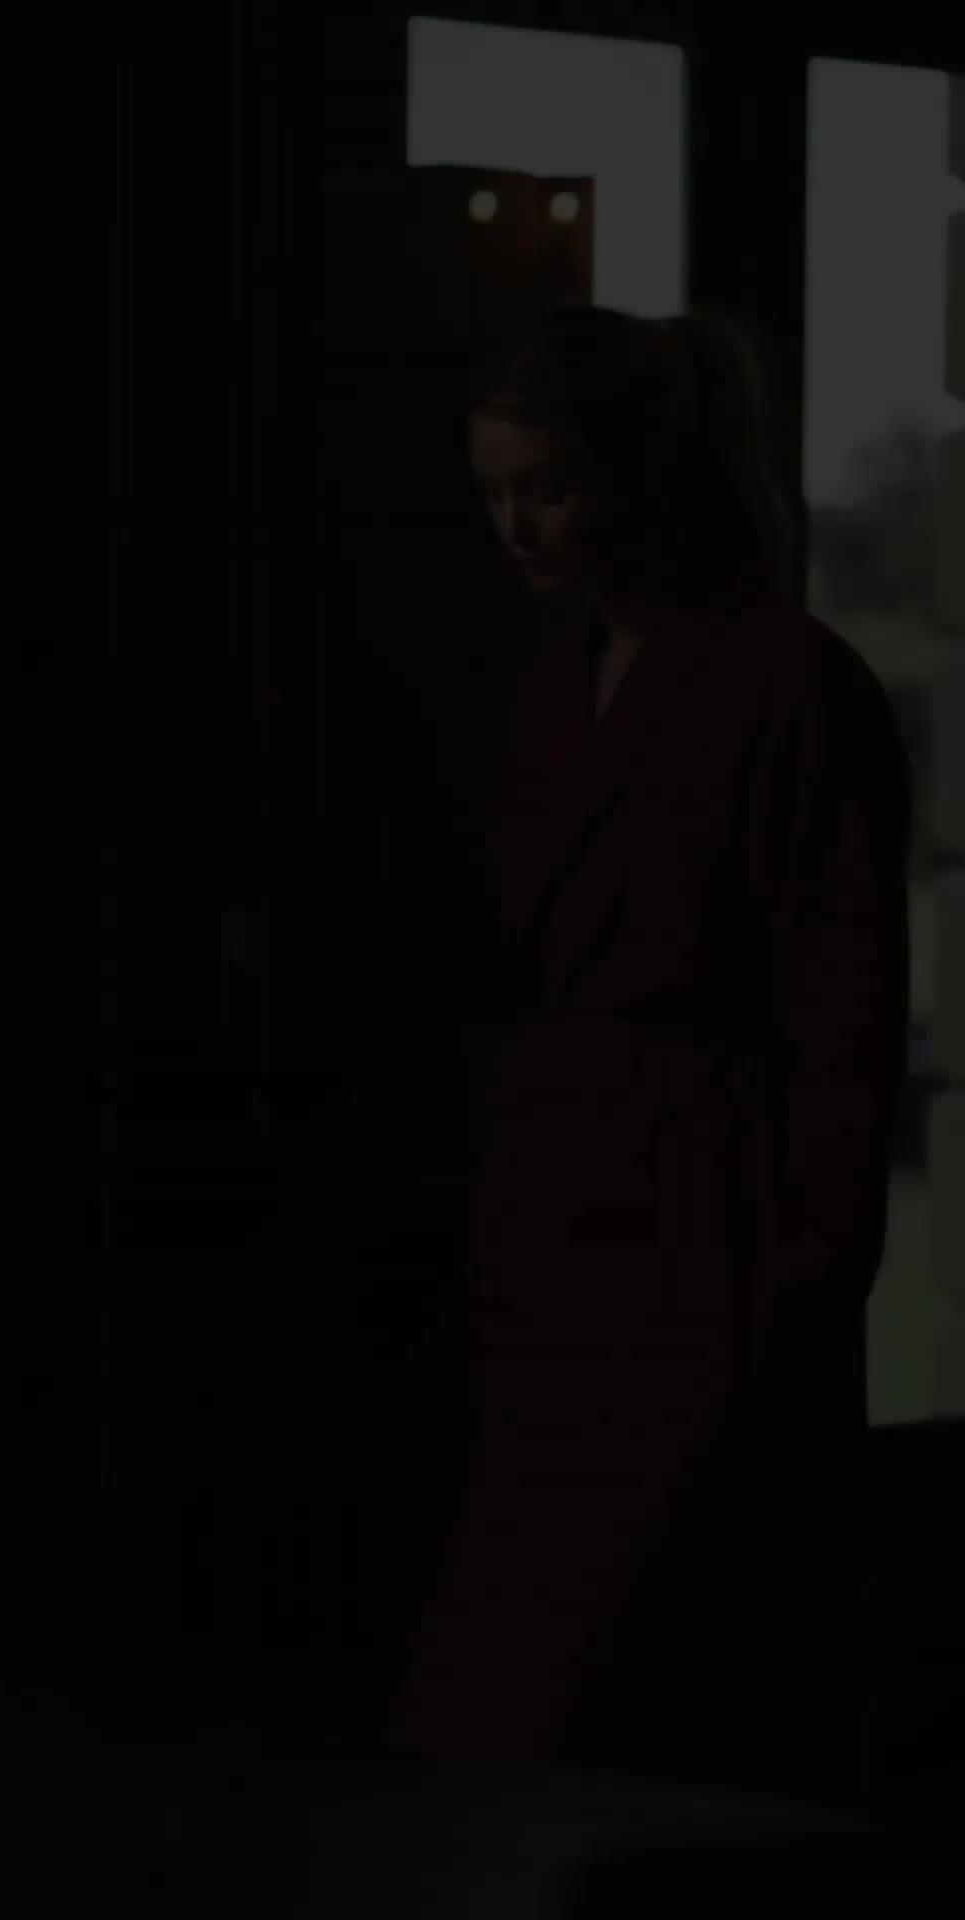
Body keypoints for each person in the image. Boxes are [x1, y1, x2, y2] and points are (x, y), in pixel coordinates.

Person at [380, 302, 912, 1807]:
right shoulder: (554, 687)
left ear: (639, 476)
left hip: (707, 1229)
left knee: (650, 1676)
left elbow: (845, 1023)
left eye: (545, 489)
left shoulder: (789, 686)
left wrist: (799, 1276)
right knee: (515, 1680)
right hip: (555, 1230)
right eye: (494, 494)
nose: (514, 528)